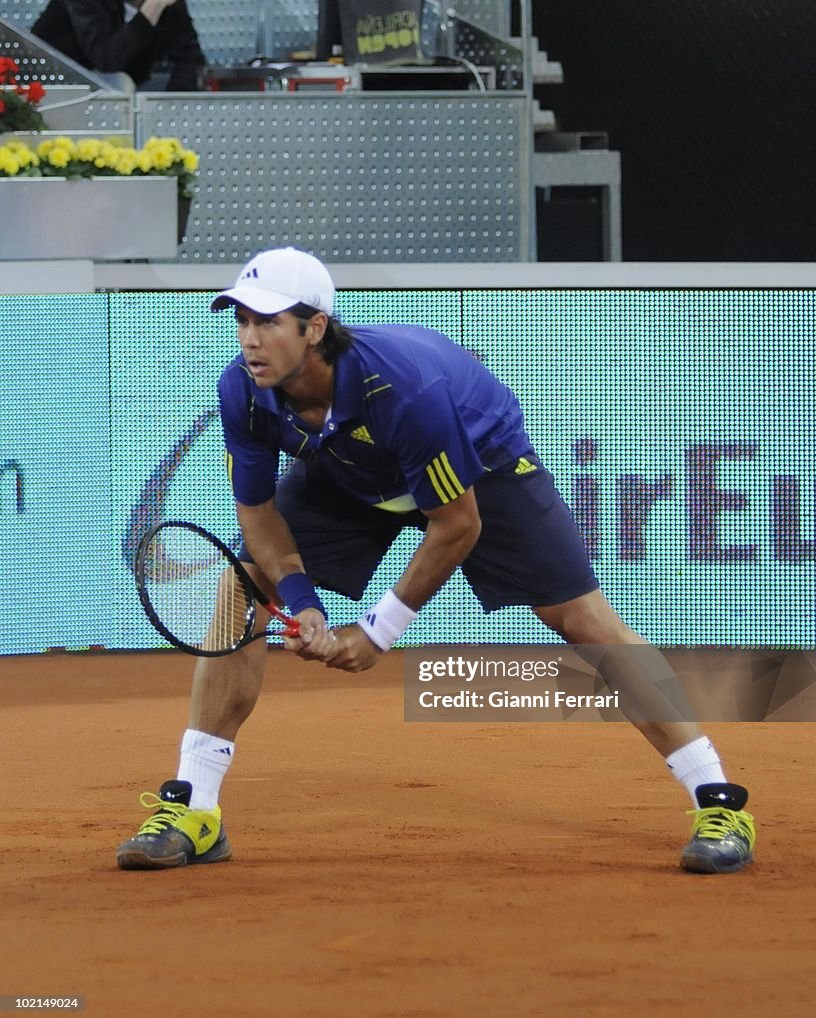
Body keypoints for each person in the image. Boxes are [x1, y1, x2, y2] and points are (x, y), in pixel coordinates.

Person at [115, 247, 757, 875]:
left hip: (480, 462)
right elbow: (256, 517)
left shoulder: (401, 387)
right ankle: (194, 807)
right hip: (349, 474)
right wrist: (304, 602)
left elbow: (458, 524)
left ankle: (717, 799)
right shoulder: (244, 391)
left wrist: (375, 631)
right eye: (242, 321)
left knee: (581, 620)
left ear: (314, 328)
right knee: (245, 584)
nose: (250, 339)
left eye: (268, 322)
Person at [31, 0, 206, 92]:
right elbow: (106, 60)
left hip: (115, 91)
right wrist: (150, 10)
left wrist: (172, 107)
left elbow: (190, 58)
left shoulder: (167, 3)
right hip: (51, 87)